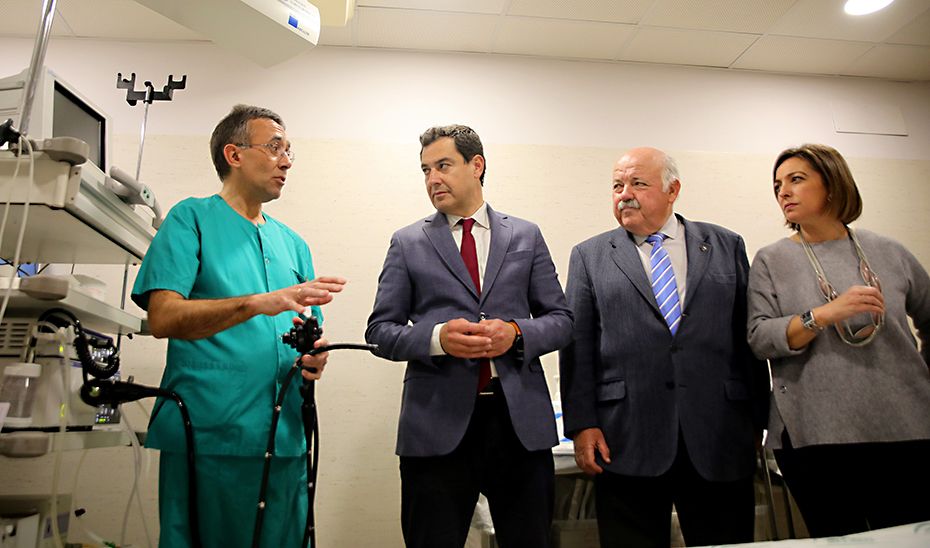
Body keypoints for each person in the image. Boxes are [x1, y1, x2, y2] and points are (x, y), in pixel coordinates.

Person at [131, 104, 346, 547]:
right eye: (274, 148)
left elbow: (306, 331)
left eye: (290, 151)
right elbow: (163, 317)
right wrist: (255, 303)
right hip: (209, 434)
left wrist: (315, 357)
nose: (286, 161)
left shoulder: (294, 245)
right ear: (234, 154)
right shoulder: (190, 219)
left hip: (285, 437)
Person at [365, 124, 573, 547]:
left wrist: (515, 333)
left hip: (519, 427)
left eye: (443, 165)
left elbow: (562, 319)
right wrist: (437, 338)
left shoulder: (525, 235)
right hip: (435, 427)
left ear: (476, 165)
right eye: (425, 170)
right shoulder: (407, 242)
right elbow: (379, 333)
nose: (432, 179)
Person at [559, 147, 768, 548]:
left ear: (673, 190)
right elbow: (577, 346)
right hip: (626, 438)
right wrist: (582, 424)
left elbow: (748, 338)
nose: (625, 194)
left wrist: (760, 418)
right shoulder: (590, 256)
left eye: (638, 183)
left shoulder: (725, 245)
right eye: (617, 185)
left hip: (719, 434)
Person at [747, 143, 930, 537]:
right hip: (816, 437)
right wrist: (822, 316)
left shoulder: (890, 252)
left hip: (904, 429)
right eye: (777, 184)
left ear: (832, 186)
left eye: (796, 180)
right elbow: (760, 337)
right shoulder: (770, 261)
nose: (783, 191)